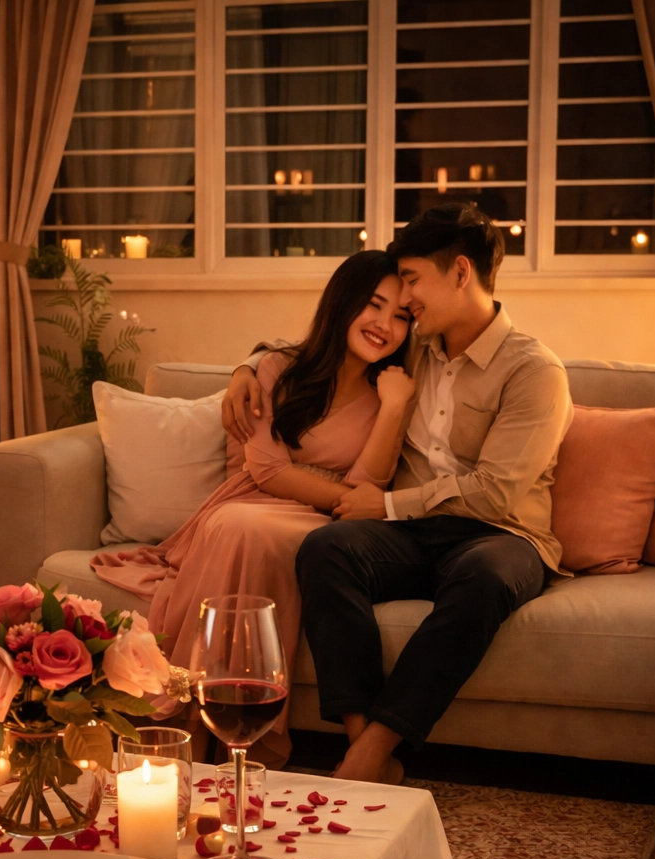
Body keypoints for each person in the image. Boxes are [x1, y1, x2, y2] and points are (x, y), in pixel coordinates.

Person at [222, 204, 573, 782]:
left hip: (503, 534)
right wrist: (248, 367)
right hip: (414, 535)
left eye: (412, 281)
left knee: (483, 578)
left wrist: (385, 505)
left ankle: (369, 753)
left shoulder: (534, 372)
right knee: (327, 549)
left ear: (460, 272)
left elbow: (495, 494)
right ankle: (362, 741)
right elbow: (326, 344)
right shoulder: (414, 347)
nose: (404, 301)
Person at [92, 251, 415, 768]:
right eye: (374, 306)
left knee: (259, 534)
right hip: (255, 499)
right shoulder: (277, 369)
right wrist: (351, 500)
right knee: (240, 524)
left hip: (320, 522)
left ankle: (219, 720)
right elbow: (266, 469)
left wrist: (395, 407)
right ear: (344, 301)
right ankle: (191, 719)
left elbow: (368, 484)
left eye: (401, 316)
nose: (385, 325)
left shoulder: (392, 391)